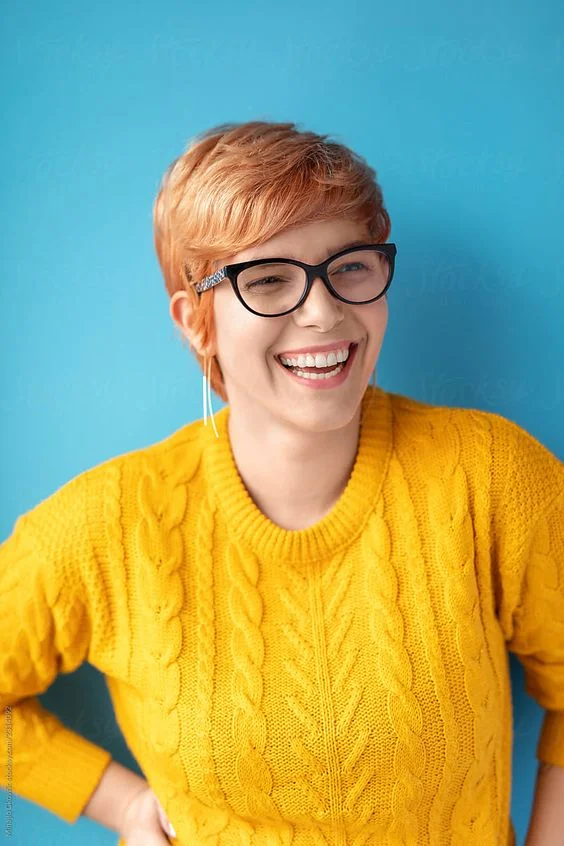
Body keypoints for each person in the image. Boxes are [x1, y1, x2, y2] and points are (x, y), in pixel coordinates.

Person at [1, 120, 563, 846]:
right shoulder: (106, 526)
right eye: (267, 279)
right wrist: (118, 802)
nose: (323, 311)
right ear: (194, 320)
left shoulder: (493, 477)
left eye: (350, 266)